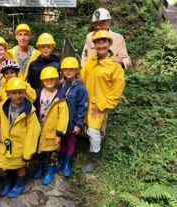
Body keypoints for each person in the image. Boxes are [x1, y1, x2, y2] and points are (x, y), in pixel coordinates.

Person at [80, 30, 125, 173]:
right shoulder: (91, 61)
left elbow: (117, 91)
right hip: (85, 101)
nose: (101, 45)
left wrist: (101, 106)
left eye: (104, 42)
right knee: (84, 127)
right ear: (94, 45)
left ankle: (93, 158)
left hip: (99, 104)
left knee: (93, 131)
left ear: (109, 43)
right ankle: (83, 148)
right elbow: (82, 77)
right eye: (98, 42)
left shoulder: (115, 65)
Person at [0, 77, 41, 198]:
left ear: (25, 92)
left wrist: (28, 152)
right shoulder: (2, 106)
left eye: (20, 92)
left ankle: (19, 184)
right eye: (14, 92)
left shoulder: (29, 110)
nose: (18, 95)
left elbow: (34, 132)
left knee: (21, 166)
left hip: (20, 145)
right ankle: (7, 182)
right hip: (5, 144)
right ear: (8, 93)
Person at [33, 66, 69, 185]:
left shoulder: (60, 97)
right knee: (39, 151)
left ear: (57, 80)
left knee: (52, 153)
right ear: (42, 80)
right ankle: (40, 168)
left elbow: (63, 117)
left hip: (52, 131)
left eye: (52, 79)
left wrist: (59, 133)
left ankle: (49, 172)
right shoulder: (37, 93)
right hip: (38, 129)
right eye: (46, 79)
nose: (49, 81)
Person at [56, 57, 88, 177]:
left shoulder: (80, 88)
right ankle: (60, 160)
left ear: (76, 71)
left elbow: (82, 107)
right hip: (61, 121)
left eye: (71, 69)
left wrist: (78, 124)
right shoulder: (60, 85)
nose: (68, 72)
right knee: (61, 140)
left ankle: (66, 164)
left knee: (69, 141)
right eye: (65, 69)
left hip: (71, 121)